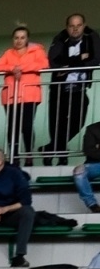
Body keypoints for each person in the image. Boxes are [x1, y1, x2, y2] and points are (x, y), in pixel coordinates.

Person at [42, 14, 98, 164]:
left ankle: (50, 148)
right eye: (72, 26)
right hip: (59, 89)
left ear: (84, 25)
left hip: (79, 88)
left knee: (78, 122)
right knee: (56, 124)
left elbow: (96, 59)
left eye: (78, 25)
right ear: (67, 27)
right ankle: (61, 157)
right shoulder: (60, 38)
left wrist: (67, 65)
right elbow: (54, 63)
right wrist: (80, 59)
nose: (75, 29)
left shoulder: (91, 37)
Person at [0, 26, 49, 167]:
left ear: (27, 39)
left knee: (27, 126)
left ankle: (29, 155)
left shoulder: (37, 51)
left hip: (30, 95)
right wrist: (12, 68)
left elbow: (43, 64)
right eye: (16, 37)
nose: (19, 40)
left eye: (22, 37)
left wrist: (20, 67)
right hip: (11, 96)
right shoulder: (8, 53)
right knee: (13, 127)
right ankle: (15, 156)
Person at [74, 120, 100, 213]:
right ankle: (92, 205)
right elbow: (89, 150)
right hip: (95, 165)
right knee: (79, 171)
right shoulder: (93, 129)